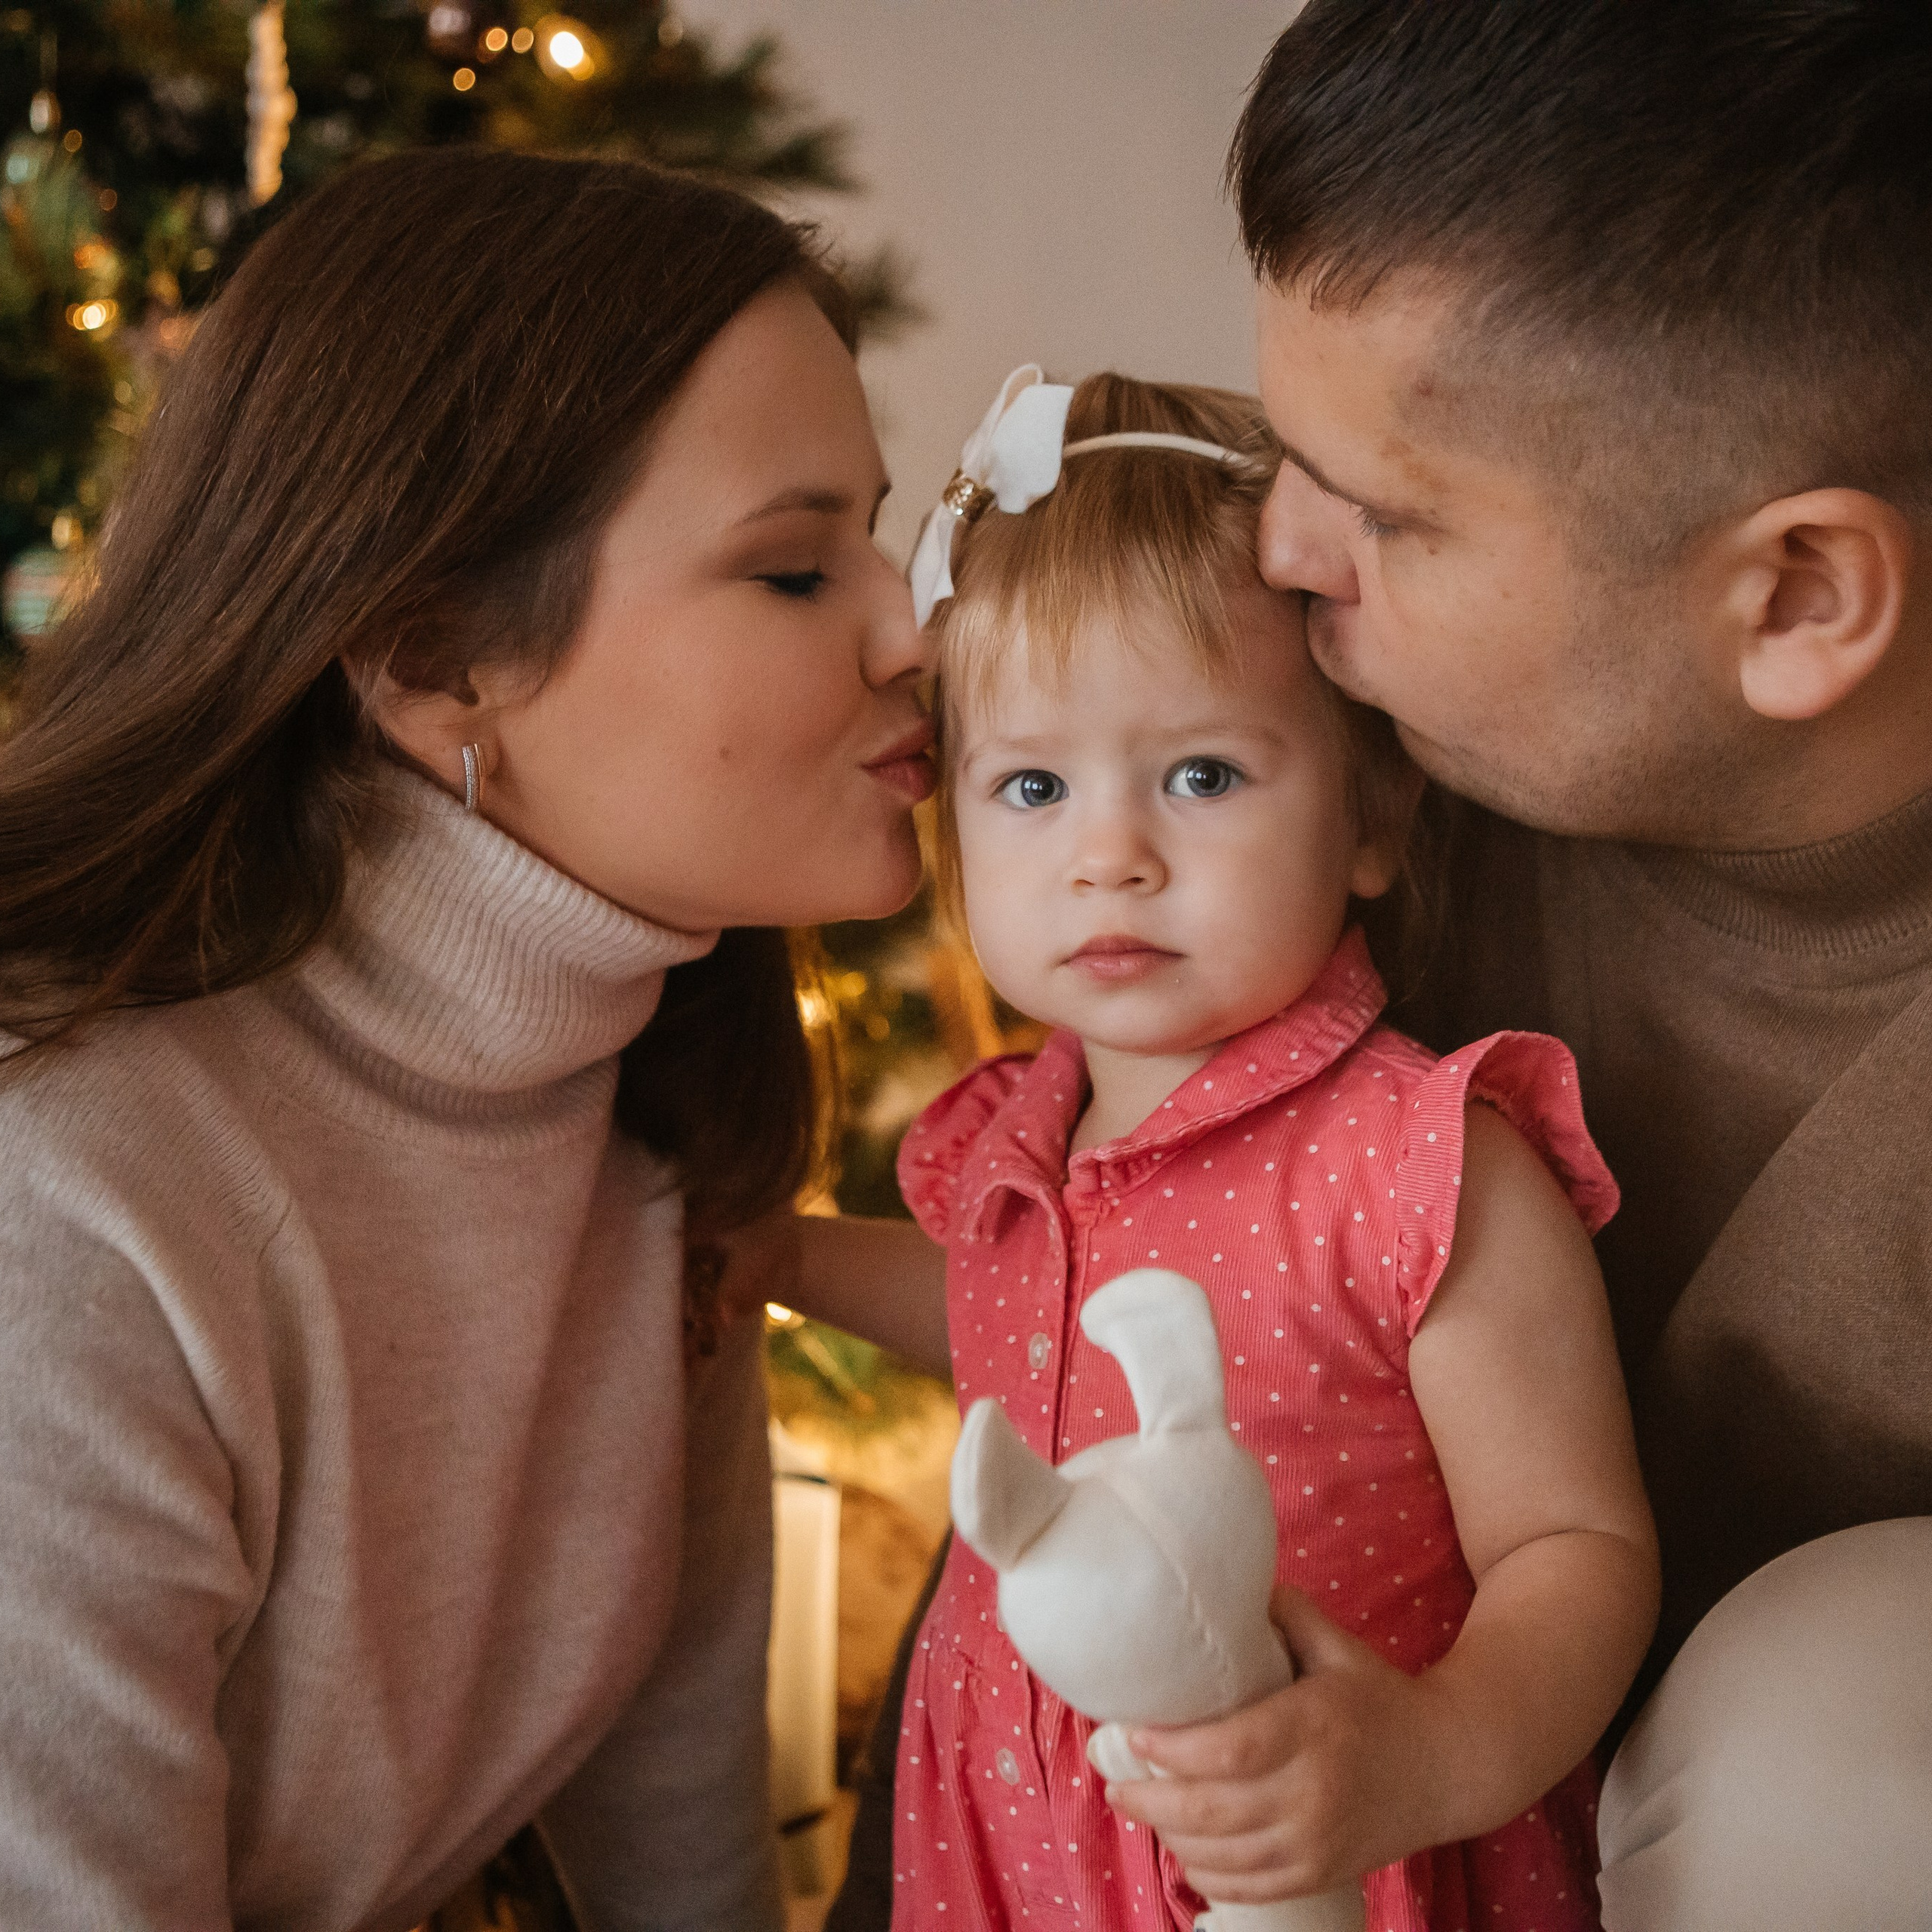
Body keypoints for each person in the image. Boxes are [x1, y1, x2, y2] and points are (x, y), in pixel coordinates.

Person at [0, 148, 943, 1931]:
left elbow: (687, 1861)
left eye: (877, 536)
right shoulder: (66, 1192)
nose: (918, 627)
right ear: (436, 662)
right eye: (795, 569)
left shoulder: (658, 1131)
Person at [1223, 2, 1932, 1927]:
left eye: (1381, 513)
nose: (1277, 549)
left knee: (1847, 1716)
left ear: (1790, 595)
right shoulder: (1325, 774)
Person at [880, 367, 1660, 1928]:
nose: (1109, 852)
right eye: (1030, 784)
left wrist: (1429, 1752)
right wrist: (770, 1259)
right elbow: (997, 1327)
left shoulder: (1420, 1162)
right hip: (1008, 1847)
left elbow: (1573, 1544)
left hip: (1338, 1844)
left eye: (1201, 774)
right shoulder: (1010, 1142)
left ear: (1372, 814)